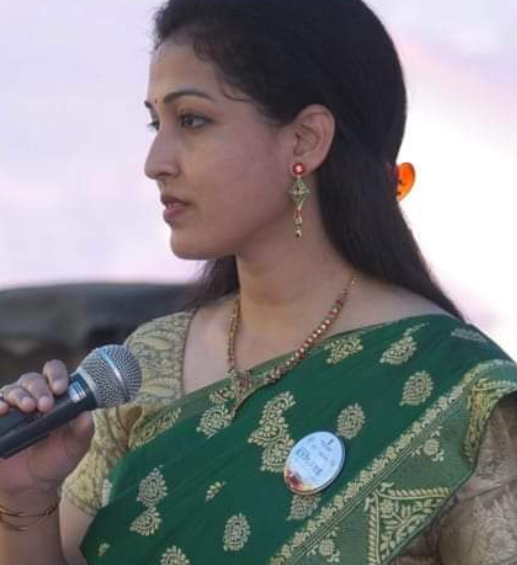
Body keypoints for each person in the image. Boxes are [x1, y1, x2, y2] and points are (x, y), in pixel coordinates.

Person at [0, 0, 516, 562]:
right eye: (156, 123)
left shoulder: (457, 392)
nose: (155, 161)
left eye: (191, 120)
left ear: (305, 140)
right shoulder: (151, 362)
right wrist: (25, 499)